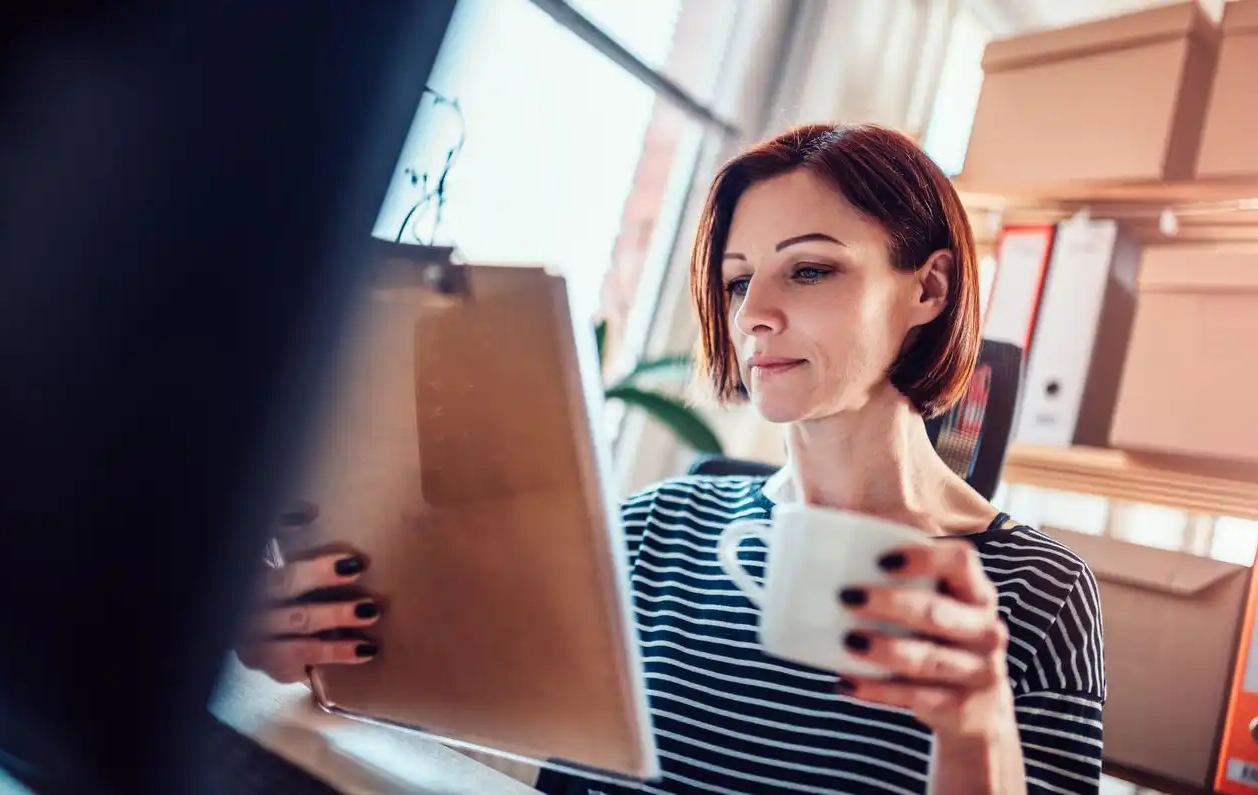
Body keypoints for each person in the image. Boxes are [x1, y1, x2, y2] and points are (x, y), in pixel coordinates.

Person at [239, 123, 1105, 795]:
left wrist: (977, 731)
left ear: (929, 288)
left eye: (809, 271)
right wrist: (317, 643)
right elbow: (434, 695)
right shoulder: (653, 531)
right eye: (736, 280)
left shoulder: (1035, 593)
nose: (754, 313)